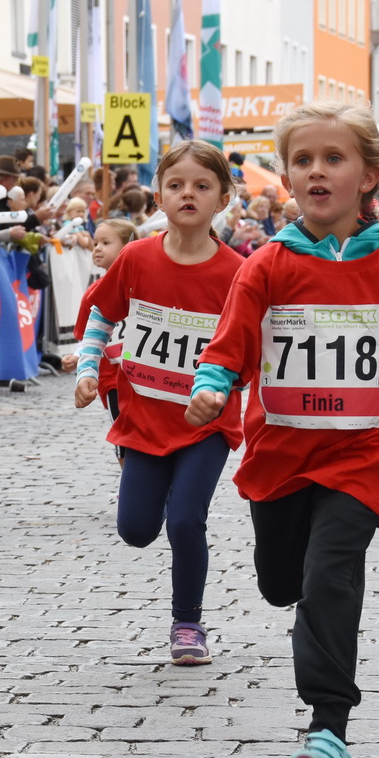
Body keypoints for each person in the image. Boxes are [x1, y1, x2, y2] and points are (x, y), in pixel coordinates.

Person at [185, 101, 379, 758]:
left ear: (368, 175)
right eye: (302, 160)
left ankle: (328, 731)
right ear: (286, 175)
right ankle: (300, 606)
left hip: (361, 453)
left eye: (332, 158)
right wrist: (214, 387)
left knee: (332, 573)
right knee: (285, 581)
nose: (316, 171)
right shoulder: (268, 264)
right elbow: (232, 340)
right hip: (280, 454)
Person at [74, 144, 245, 665]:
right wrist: (87, 368)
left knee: (186, 521)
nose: (187, 194)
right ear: (159, 197)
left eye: (201, 186)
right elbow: (102, 315)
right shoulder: (136, 257)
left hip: (205, 424)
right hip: (144, 420)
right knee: (136, 530)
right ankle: (162, 491)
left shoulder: (237, 271)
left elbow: (249, 347)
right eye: (176, 186)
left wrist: (219, 389)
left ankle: (187, 624)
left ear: (223, 198)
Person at [62, 219, 136, 453]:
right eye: (95, 243)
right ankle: (129, 488)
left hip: (141, 374)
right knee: (123, 437)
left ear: (128, 247)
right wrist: (78, 357)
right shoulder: (93, 293)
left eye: (106, 242)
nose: (97, 248)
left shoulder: (143, 285)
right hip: (110, 378)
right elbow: (88, 336)